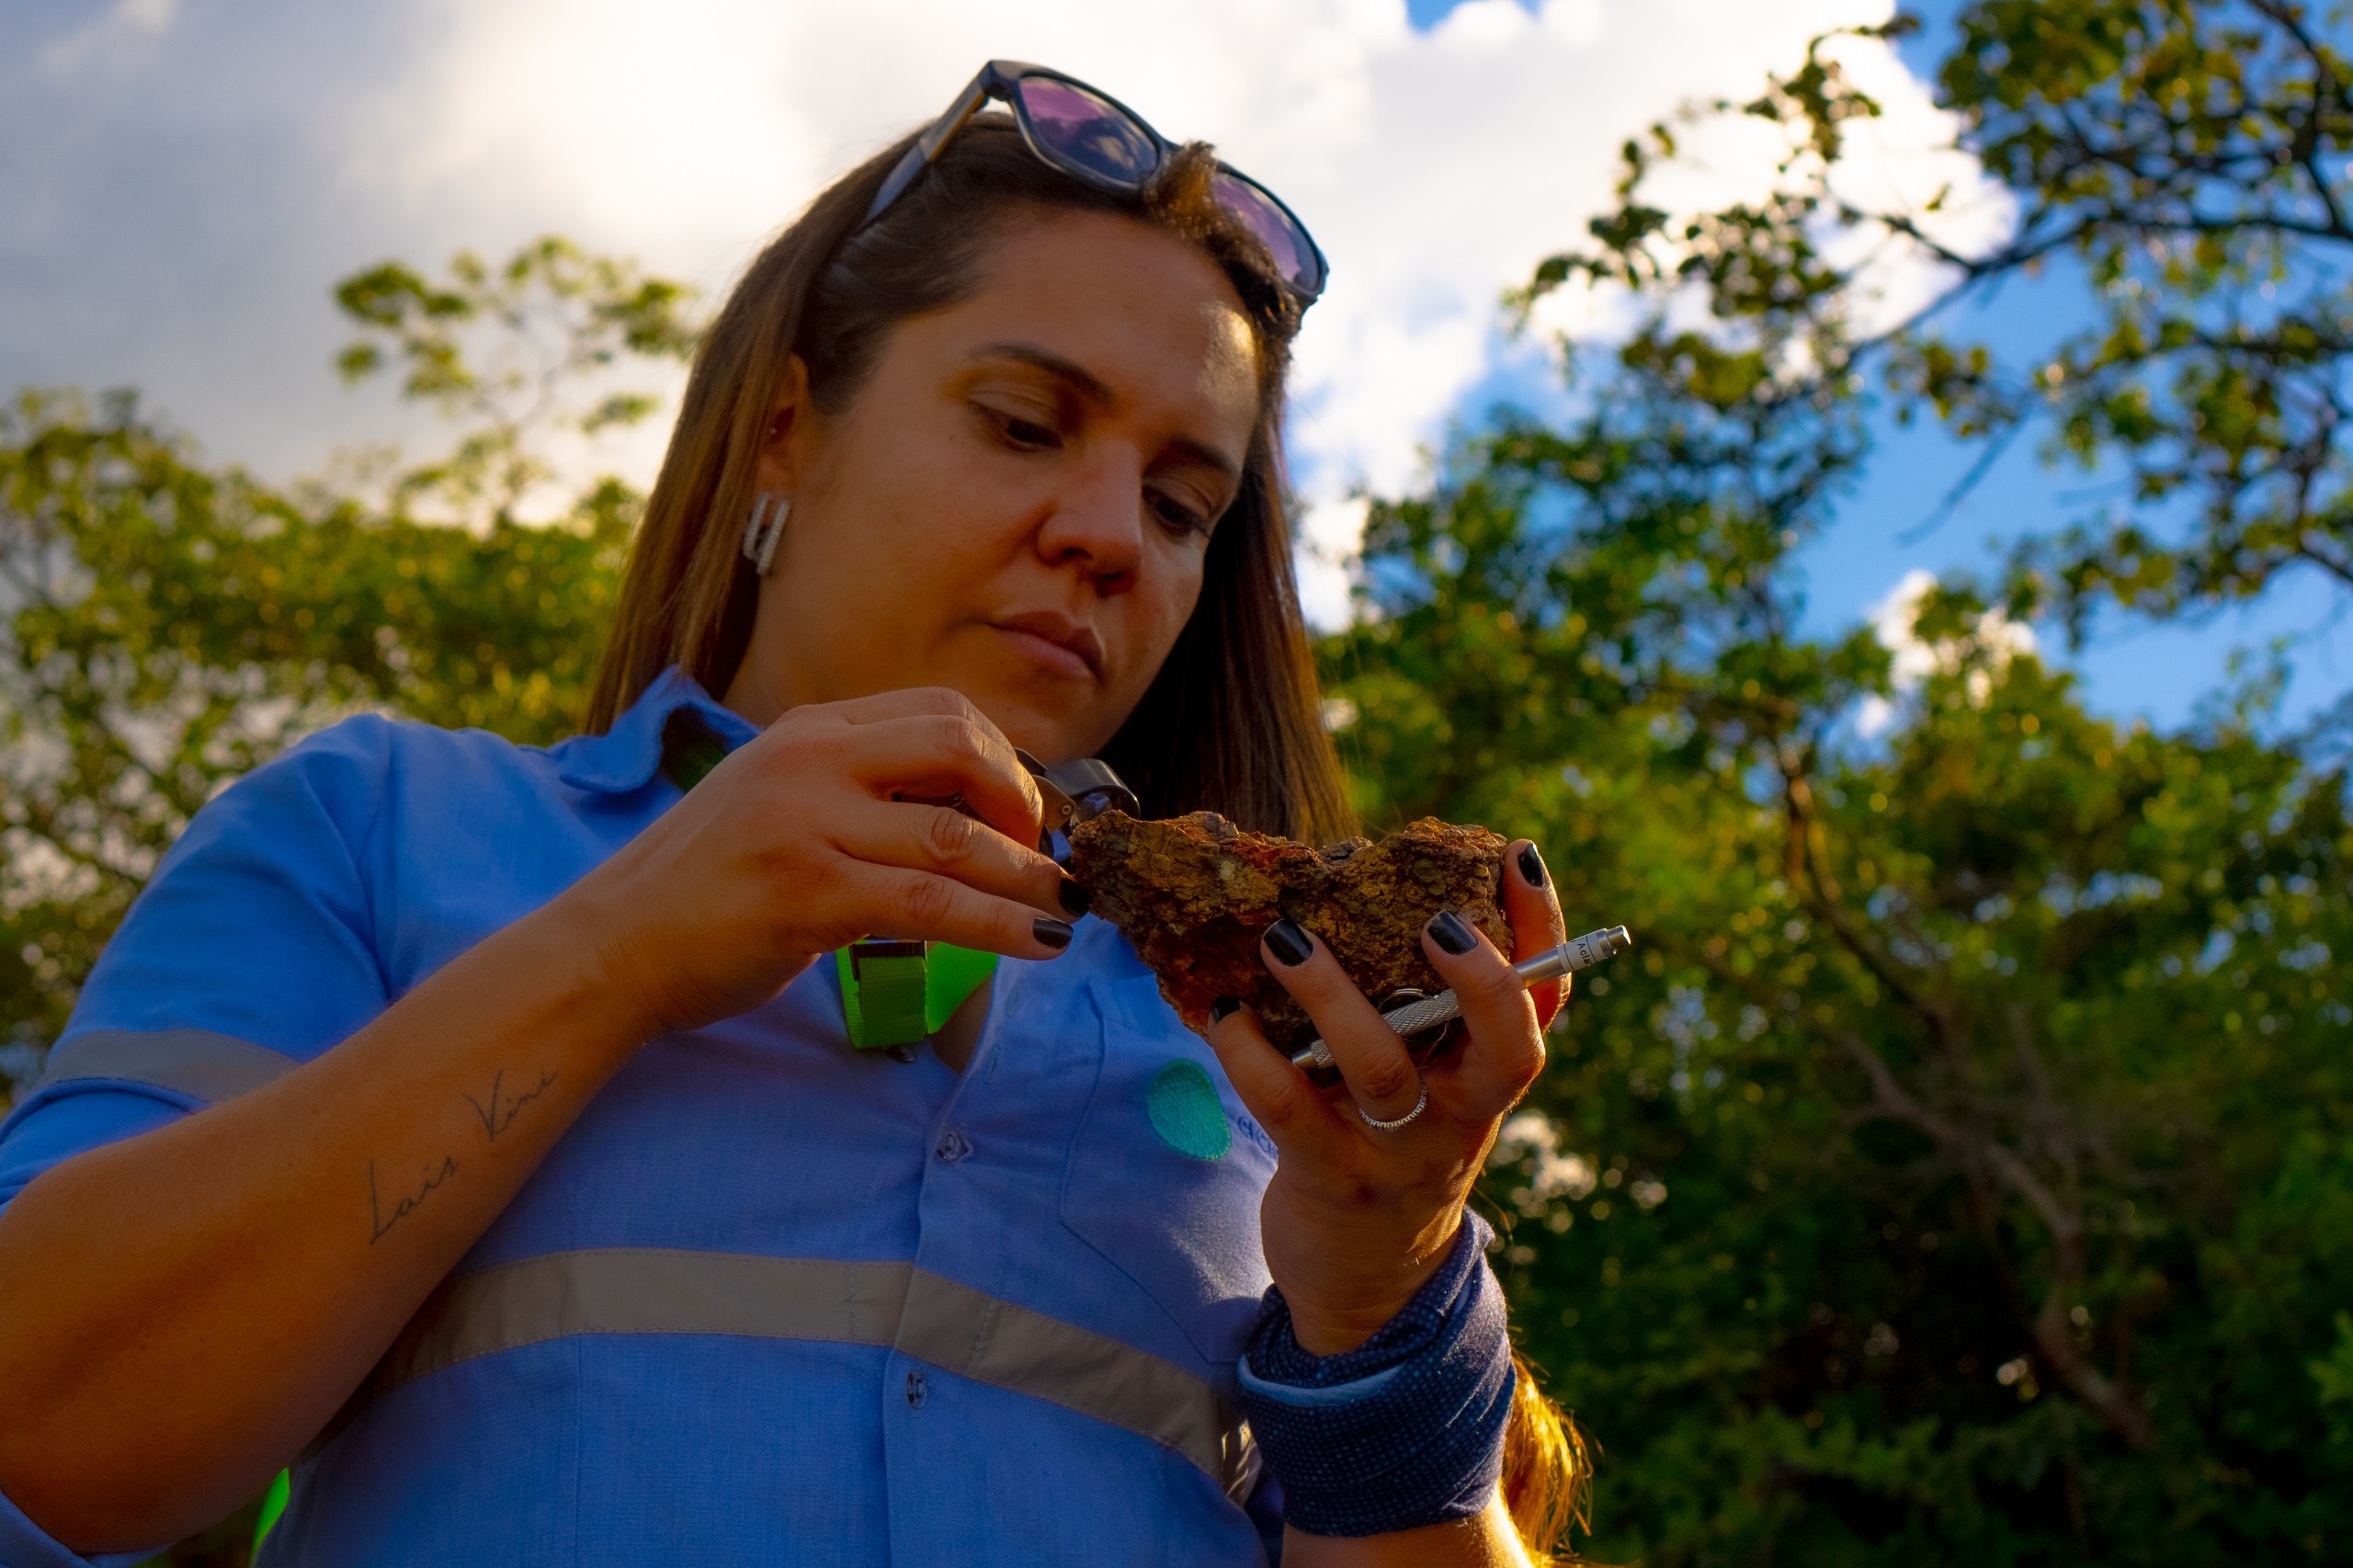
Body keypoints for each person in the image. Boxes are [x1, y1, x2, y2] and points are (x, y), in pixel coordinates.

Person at [0, 62, 1589, 1567]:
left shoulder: (1301, 1064)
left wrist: (1391, 1288)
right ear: (783, 424)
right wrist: (621, 946)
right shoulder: (378, 829)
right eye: (1026, 422)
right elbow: (50, 1431)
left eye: (1183, 505)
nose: (1111, 533)